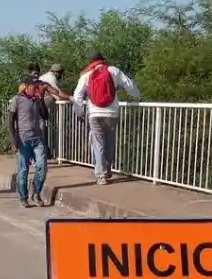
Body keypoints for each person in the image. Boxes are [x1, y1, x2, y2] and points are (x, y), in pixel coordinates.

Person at [73, 52, 140, 185]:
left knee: (98, 145)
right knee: (110, 142)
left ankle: (101, 176)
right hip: (112, 113)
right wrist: (138, 97)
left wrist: (79, 112)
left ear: (90, 61)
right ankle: (108, 169)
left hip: (94, 114)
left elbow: (77, 95)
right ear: (103, 60)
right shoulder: (113, 70)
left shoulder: (86, 74)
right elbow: (129, 85)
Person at [7, 78, 48, 208]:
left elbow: (45, 116)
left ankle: (36, 193)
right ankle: (23, 197)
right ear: (26, 87)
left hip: (37, 139)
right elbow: (10, 121)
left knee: (42, 167)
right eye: (34, 87)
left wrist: (41, 98)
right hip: (23, 140)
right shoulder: (17, 99)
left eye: (37, 87)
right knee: (23, 170)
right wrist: (13, 140)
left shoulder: (36, 100)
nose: (36, 89)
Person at [37, 63, 71, 159]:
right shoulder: (51, 79)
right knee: (41, 131)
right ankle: (41, 156)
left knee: (42, 131)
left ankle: (45, 153)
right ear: (58, 73)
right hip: (39, 109)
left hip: (38, 109)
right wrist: (71, 98)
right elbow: (57, 94)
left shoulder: (43, 77)